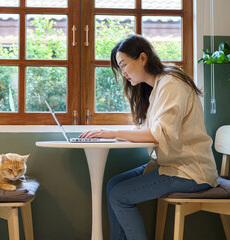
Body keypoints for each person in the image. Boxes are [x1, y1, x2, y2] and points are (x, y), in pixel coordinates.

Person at [79, 34, 219, 240]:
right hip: (170, 165)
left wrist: (113, 133)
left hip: (189, 171)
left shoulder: (171, 83)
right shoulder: (155, 89)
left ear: (143, 57)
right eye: (120, 67)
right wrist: (111, 134)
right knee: (113, 185)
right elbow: (150, 133)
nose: (123, 72)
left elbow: (156, 135)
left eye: (124, 64)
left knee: (119, 195)